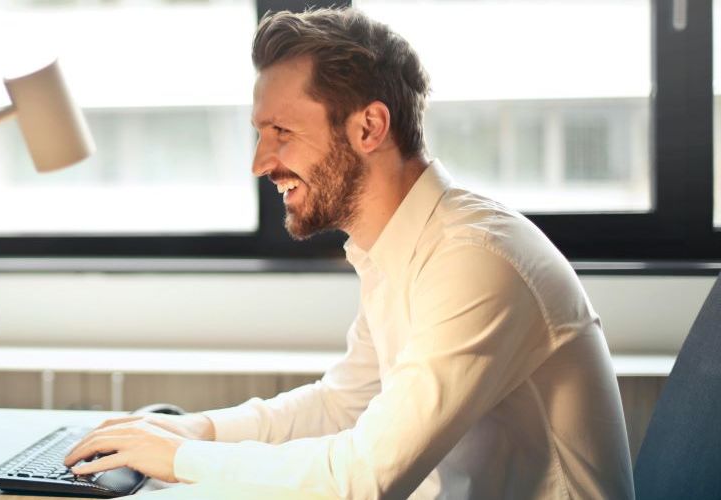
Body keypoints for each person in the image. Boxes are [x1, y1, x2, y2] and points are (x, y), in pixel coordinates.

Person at [64, 7, 635, 499]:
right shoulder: (398, 248)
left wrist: (176, 460)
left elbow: (362, 481)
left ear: (369, 127)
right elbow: (343, 405)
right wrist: (195, 432)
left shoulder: (475, 260)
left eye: (281, 131)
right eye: (259, 135)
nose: (260, 163)